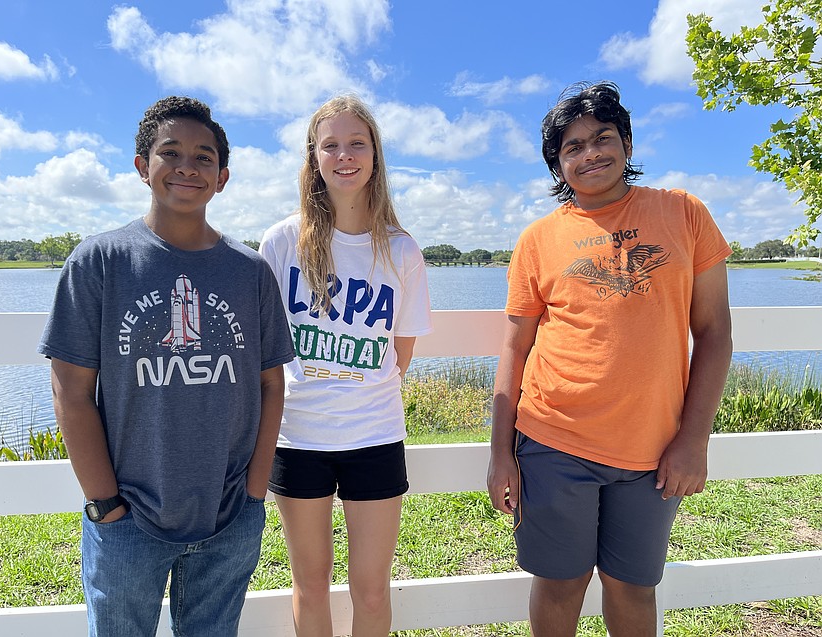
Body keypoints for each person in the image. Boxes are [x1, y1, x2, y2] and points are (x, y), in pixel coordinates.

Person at [37, 96, 295, 637]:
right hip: (128, 519)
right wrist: (105, 503)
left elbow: (272, 384)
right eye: (170, 152)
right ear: (142, 166)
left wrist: (252, 494)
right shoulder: (99, 262)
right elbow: (71, 390)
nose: (187, 167)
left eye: (204, 158)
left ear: (222, 177)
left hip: (229, 516)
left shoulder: (250, 273)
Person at [486, 82, 733, 636]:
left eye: (602, 138)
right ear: (557, 164)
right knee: (559, 586)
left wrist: (694, 439)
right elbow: (514, 346)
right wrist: (501, 453)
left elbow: (715, 333)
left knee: (633, 589)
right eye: (572, 147)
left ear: (625, 142)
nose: (590, 153)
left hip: (652, 451)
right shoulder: (537, 239)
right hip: (553, 441)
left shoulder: (684, 213)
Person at [258, 94, 432, 637]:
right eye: (330, 145)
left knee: (372, 588)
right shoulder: (282, 241)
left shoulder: (402, 251)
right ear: (313, 158)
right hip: (299, 438)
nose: (344, 155)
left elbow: (399, 354)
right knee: (309, 585)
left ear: (375, 155)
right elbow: (266, 346)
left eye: (357, 143)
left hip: (374, 436)